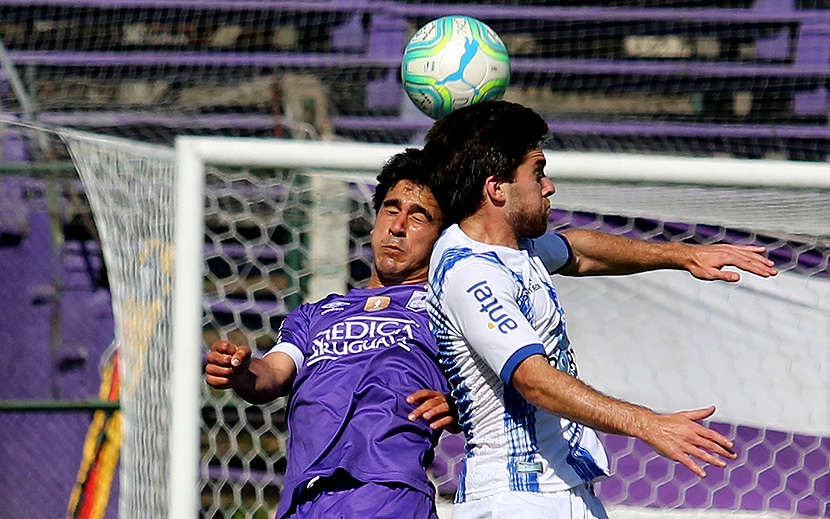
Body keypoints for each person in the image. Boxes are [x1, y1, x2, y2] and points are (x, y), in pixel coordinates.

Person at [422, 100, 777, 519]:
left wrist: (683, 255)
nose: (548, 186)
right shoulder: (472, 274)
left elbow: (582, 250)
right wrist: (648, 424)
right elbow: (535, 383)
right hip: (516, 495)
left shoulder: (515, 249)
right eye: (537, 173)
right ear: (497, 188)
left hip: (559, 488)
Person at [204, 148, 456, 519]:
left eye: (419, 217)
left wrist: (459, 408)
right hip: (304, 500)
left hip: (387, 496)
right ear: (373, 223)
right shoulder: (316, 314)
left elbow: (504, 391)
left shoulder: (448, 312)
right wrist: (241, 371)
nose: (398, 226)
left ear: (443, 237)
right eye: (390, 209)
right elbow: (273, 374)